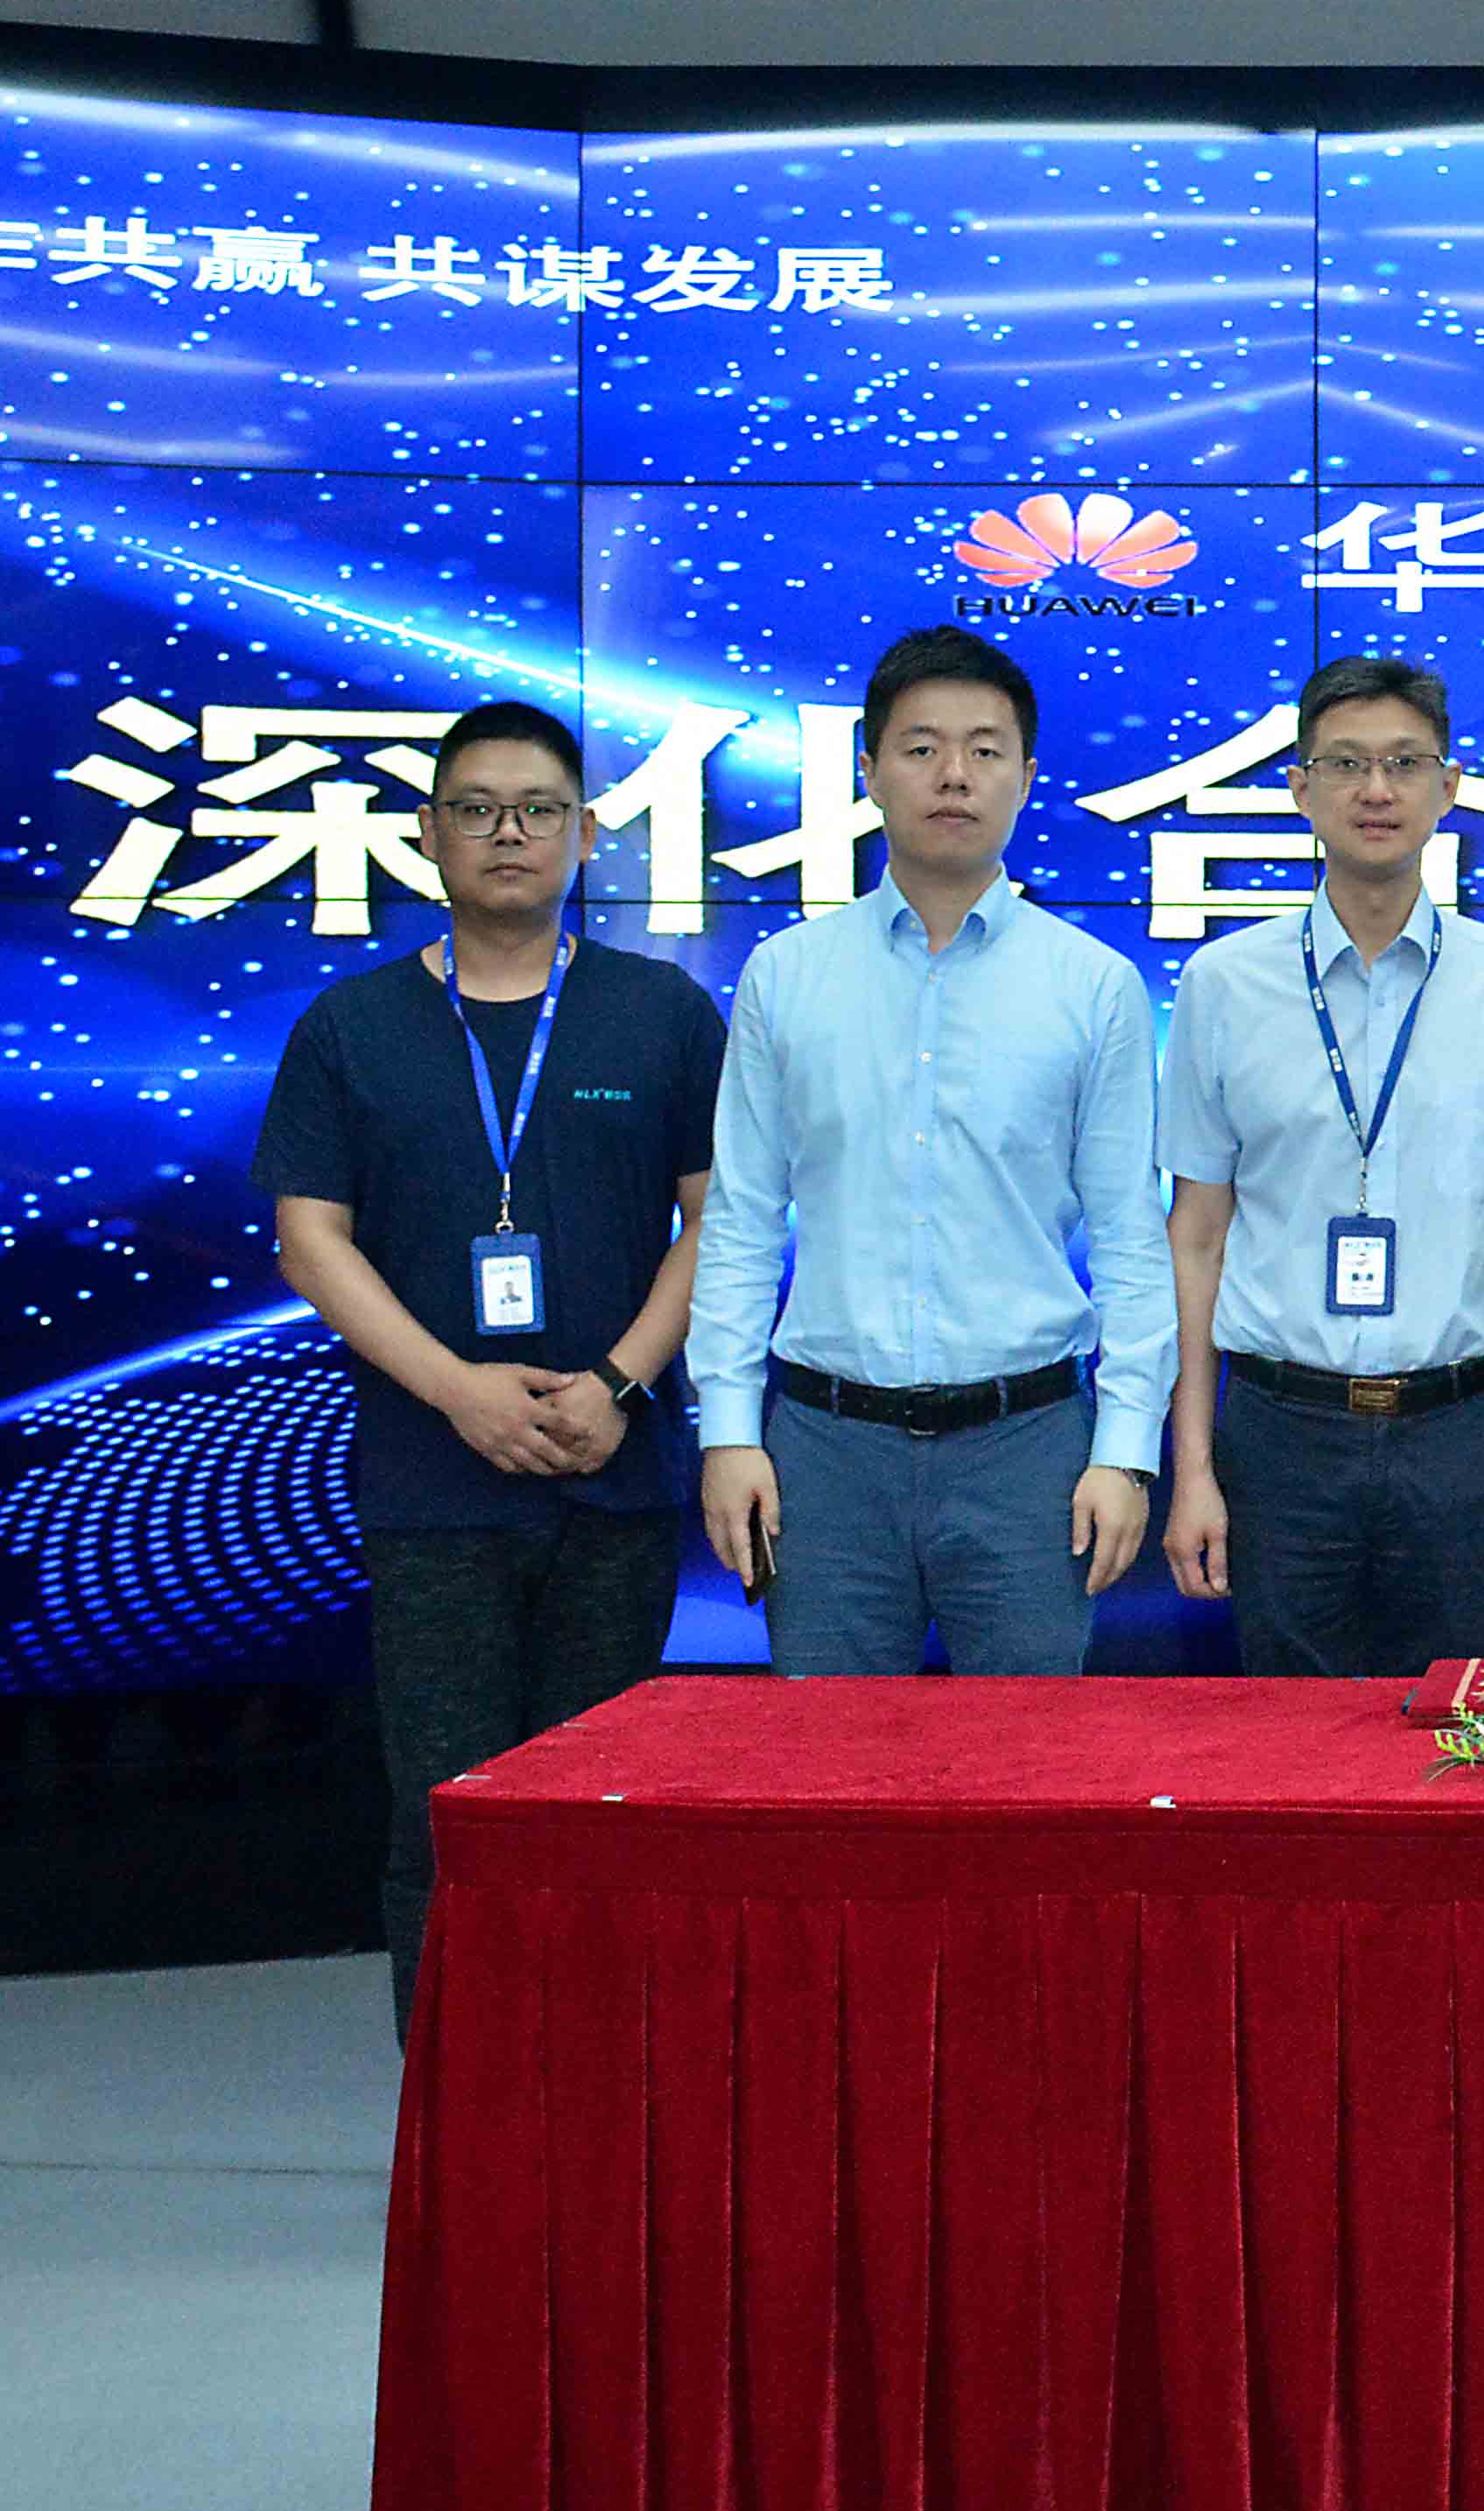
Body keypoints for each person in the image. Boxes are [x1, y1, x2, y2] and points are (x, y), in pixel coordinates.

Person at [252, 699, 723, 2034]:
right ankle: (460, 2111)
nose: (507, 834)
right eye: (475, 809)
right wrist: (456, 1389)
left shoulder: (659, 1012)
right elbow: (309, 1240)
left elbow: (723, 1222)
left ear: (585, 832)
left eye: (536, 810)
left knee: (602, 1812)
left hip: (611, 1475)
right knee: (446, 1810)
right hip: (433, 1487)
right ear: (427, 833)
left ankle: (603, 2092)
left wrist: (619, 1383)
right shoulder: (353, 1025)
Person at [685, 626, 1169, 1675]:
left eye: (985, 749)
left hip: (1029, 1447)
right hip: (824, 1451)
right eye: (921, 747)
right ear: (868, 770)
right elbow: (740, 1220)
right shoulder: (786, 975)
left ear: (1025, 776)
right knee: (830, 1760)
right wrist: (727, 1430)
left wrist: (1126, 1452)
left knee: (1029, 1762)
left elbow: (1133, 1236)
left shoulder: (1092, 986)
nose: (954, 774)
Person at [1154, 655, 1484, 1676]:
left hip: (1459, 1432)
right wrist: (1192, 1467)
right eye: (1345, 763)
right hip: (1278, 1434)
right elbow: (1196, 1240)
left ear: (1450, 786)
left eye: (1403, 763)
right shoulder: (1223, 983)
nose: (1375, 790)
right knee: (1284, 1739)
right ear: (1299, 789)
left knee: (1450, 1733)